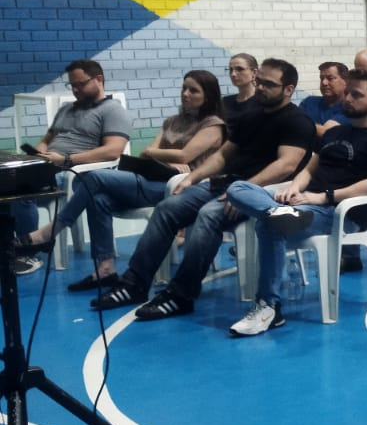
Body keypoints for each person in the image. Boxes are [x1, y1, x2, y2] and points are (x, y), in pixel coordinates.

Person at [87, 58, 316, 319]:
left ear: (288, 89)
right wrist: (192, 178)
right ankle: (134, 284)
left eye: (269, 84)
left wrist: (244, 192)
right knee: (168, 207)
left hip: (263, 193)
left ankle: (181, 295)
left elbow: (287, 165)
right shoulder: (252, 115)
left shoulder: (297, 121)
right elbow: (224, 155)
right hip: (228, 183)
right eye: (260, 81)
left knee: (207, 215)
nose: (261, 87)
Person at [223, 68, 367, 336]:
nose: (347, 99)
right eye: (347, 93)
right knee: (238, 187)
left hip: (338, 213)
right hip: (302, 205)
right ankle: (278, 212)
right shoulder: (334, 133)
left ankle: (268, 307)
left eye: (356, 94)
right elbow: (309, 169)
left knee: (269, 226)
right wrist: (293, 187)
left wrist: (324, 197)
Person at [17, 71, 224, 289]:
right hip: (152, 180)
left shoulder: (213, 125)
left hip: (182, 189)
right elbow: (146, 152)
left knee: (94, 177)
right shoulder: (172, 122)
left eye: (193, 90)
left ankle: (50, 231)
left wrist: (160, 154)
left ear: (208, 96)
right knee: (98, 199)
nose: (185, 94)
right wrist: (162, 156)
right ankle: (105, 269)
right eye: (184, 88)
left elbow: (184, 156)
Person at [10, 59, 132, 276]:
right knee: (7, 182)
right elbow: (46, 141)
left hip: (75, 173)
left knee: (22, 190)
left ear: (98, 79)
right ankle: (11, 247)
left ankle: (28, 252)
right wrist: (36, 155)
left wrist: (66, 159)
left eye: (80, 84)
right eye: (72, 85)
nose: (75, 89)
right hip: (49, 166)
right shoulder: (66, 109)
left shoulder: (112, 110)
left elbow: (113, 150)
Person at [300, 61, 351, 136]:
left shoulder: (350, 108)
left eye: (330, 78)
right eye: (321, 78)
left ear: (345, 81)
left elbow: (325, 132)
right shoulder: (309, 102)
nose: (324, 83)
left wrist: (300, 124)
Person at [221, 52, 259, 126]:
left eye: (240, 69)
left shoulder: (264, 101)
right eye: (231, 70)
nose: (233, 74)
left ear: (254, 72)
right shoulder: (225, 102)